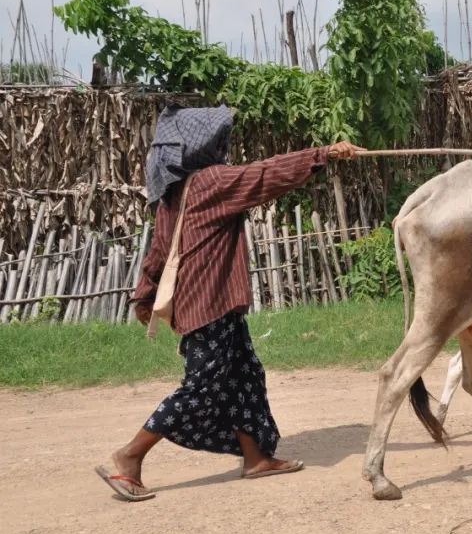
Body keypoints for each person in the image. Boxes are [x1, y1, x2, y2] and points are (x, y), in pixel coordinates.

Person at [95, 104, 365, 501]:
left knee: (245, 377)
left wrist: (144, 295)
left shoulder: (175, 192)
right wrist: (322, 155)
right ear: (204, 147)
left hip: (210, 304)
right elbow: (264, 174)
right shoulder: (211, 183)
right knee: (202, 387)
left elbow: (158, 251)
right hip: (210, 305)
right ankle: (129, 457)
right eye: (220, 140)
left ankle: (255, 458)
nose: (225, 147)